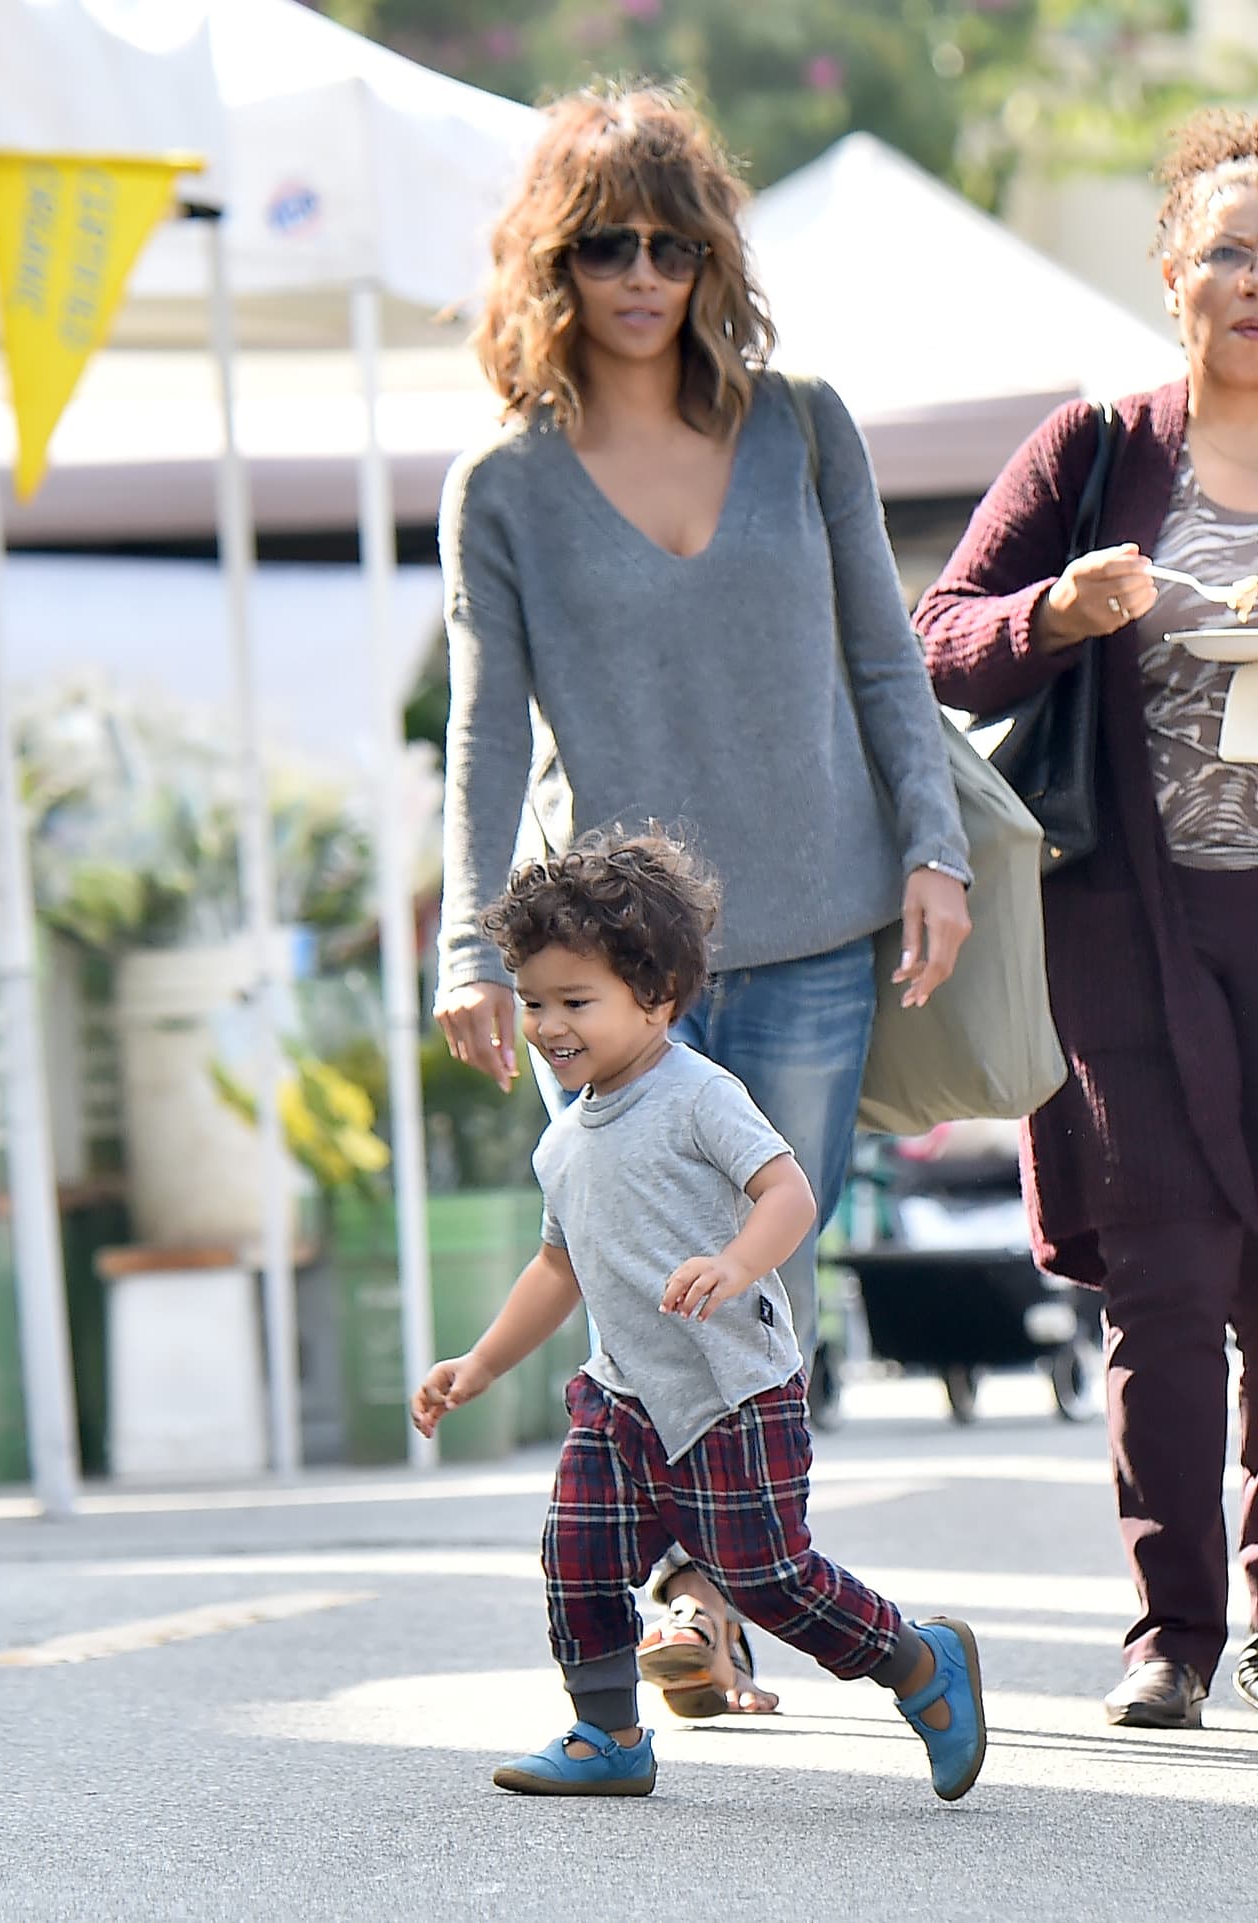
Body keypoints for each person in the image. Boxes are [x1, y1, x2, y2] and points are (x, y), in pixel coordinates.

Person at [432, 80, 972, 1716]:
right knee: (623, 1270)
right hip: (603, 966)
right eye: (608, 243)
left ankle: (715, 1591)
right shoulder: (506, 485)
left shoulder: (803, 424)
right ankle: (698, 1600)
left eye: (675, 239)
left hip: (812, 921)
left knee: (760, 1285)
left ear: (711, 253)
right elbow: (481, 728)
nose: (645, 271)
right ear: (557, 263)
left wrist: (932, 846)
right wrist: (472, 941)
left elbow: (889, 656)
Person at [914, 108, 1258, 1730]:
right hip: (1131, 928)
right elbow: (938, 638)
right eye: (1232, 252)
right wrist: (1060, 607)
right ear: (1172, 274)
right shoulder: (1098, 451)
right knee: (1171, 1277)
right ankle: (1174, 1630)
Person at [412, 832, 987, 1800]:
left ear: (659, 995)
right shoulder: (563, 1140)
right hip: (623, 1397)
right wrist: (479, 1363)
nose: (549, 1026)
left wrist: (732, 1262)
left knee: (769, 1581)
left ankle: (915, 1661)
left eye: (576, 1002)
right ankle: (606, 1736)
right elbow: (556, 1267)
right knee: (578, 1556)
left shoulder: (695, 1095)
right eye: (537, 1001)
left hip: (731, 1394)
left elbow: (789, 1194)